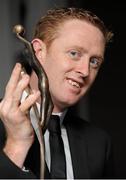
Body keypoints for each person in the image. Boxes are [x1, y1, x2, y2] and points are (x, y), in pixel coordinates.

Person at [0, 7, 114, 179]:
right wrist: (17, 145)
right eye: (74, 53)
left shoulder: (99, 143)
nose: (84, 70)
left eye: (94, 62)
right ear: (38, 52)